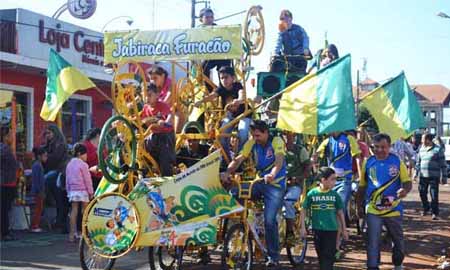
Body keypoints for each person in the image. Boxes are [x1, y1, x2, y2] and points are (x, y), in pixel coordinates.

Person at [221, 120, 286, 267]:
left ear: (266, 133)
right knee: (235, 193)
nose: (255, 138)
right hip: (259, 182)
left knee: (270, 221)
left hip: (275, 185)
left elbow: (279, 161)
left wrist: (272, 174)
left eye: (258, 135)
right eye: (254, 135)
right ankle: (241, 228)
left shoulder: (276, 141)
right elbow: (238, 159)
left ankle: (273, 256)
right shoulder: (252, 143)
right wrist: (227, 171)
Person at [356, 133, 412, 270]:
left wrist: (404, 191)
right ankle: (373, 266)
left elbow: (407, 182)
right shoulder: (368, 163)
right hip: (373, 209)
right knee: (372, 241)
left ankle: (398, 264)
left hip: (393, 209)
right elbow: (362, 186)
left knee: (397, 240)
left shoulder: (397, 162)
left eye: (383, 147)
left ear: (389, 147)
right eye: (376, 147)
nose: (380, 150)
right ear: (372, 147)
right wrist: (359, 206)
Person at [194, 66, 251, 160]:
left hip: (244, 115)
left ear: (233, 78)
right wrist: (201, 101)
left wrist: (239, 100)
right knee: (222, 135)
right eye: (221, 78)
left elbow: (242, 93)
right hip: (231, 116)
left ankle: (241, 159)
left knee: (243, 134)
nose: (224, 80)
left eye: (226, 77)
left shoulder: (237, 85)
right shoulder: (221, 89)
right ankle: (226, 159)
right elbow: (212, 96)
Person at [300, 167, 348, 270]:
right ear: (323, 179)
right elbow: (303, 210)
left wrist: (344, 230)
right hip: (317, 230)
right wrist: (303, 227)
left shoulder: (335, 195)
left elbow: (340, 213)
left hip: (332, 230)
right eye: (332, 179)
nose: (335, 182)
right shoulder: (312, 193)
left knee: (328, 256)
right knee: (321, 256)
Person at [141, 83, 176, 176]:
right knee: (142, 148)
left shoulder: (162, 106)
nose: (146, 98)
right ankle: (144, 172)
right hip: (153, 136)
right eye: (144, 95)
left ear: (157, 95)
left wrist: (164, 122)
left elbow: (168, 116)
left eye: (149, 95)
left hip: (166, 136)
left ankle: (167, 176)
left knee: (164, 157)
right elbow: (140, 120)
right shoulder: (145, 108)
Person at [41, 124, 70, 233]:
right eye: (46, 133)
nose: (47, 135)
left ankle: (60, 222)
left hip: (59, 173)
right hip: (53, 172)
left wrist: (45, 157)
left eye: (49, 133)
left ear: (55, 133)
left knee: (60, 200)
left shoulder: (60, 144)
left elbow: (55, 159)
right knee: (58, 200)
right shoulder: (49, 144)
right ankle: (59, 221)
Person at [283, 132, 310, 243]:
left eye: (287, 134)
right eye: (283, 134)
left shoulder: (300, 150)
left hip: (294, 186)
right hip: (279, 185)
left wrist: (298, 178)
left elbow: (307, 169)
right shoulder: (277, 150)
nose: (285, 136)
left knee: (288, 202)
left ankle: (290, 233)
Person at [66, 143, 94, 242]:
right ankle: (85, 233)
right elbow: (87, 180)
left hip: (73, 191)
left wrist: (68, 190)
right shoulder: (83, 165)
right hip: (83, 191)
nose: (86, 156)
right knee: (85, 212)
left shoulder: (69, 164)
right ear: (79, 154)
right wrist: (91, 192)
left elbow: (67, 179)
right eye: (85, 154)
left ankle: (71, 234)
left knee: (74, 211)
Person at [415, 133, 446, 220]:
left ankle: (435, 213)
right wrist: (415, 174)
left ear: (428, 140)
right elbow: (418, 163)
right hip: (422, 176)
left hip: (434, 177)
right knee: (422, 193)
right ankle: (426, 208)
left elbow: (443, 164)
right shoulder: (421, 149)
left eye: (423, 139)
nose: (421, 141)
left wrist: (444, 176)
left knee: (434, 195)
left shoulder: (438, 149)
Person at [197, 7, 232, 86]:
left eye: (211, 17)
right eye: (207, 17)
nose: (210, 19)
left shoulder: (219, 29)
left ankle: (223, 88)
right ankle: (210, 90)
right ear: (201, 19)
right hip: (208, 57)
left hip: (220, 56)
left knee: (225, 67)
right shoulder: (197, 31)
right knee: (203, 68)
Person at [272, 9, 310, 74]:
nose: (286, 21)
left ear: (291, 19)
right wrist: (275, 54)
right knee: (277, 63)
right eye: (283, 19)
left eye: (287, 19)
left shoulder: (298, 29)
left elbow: (305, 38)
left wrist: (305, 48)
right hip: (288, 58)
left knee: (300, 67)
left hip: (299, 56)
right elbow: (278, 43)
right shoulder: (282, 32)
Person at [0, 126, 19, 241]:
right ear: (5, 137)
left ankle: (5, 231)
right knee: (4, 209)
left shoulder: (5, 148)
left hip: (7, 181)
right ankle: (5, 232)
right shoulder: (5, 149)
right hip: (6, 183)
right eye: (11, 135)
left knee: (4, 209)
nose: (13, 137)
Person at [30, 146, 48, 233]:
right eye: (44, 156)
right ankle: (35, 225)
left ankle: (35, 225)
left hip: (39, 191)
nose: (46, 158)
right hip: (38, 191)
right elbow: (37, 180)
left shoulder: (37, 165)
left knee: (38, 208)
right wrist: (40, 191)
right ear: (39, 156)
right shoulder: (37, 165)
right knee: (38, 208)